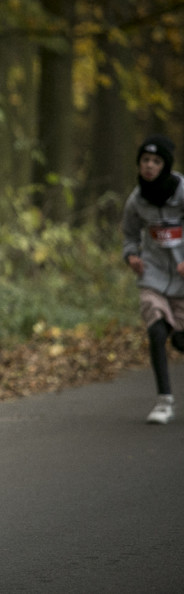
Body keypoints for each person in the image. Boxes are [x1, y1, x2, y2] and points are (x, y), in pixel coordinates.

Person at [122, 134, 184, 424]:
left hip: (183, 279)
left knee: (180, 341)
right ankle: (164, 401)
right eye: (145, 160)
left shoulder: (182, 192)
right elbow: (129, 234)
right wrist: (132, 255)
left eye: (156, 161)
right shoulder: (136, 199)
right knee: (157, 332)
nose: (149, 166)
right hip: (154, 275)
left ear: (166, 165)